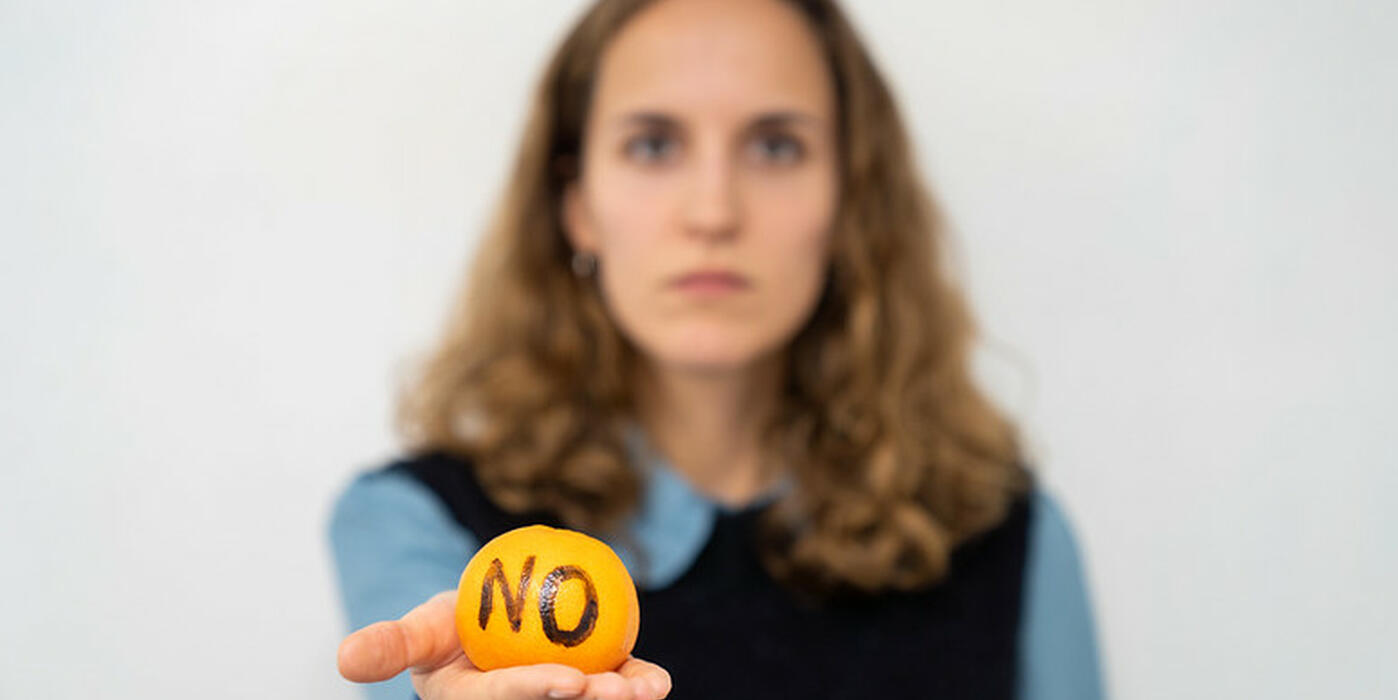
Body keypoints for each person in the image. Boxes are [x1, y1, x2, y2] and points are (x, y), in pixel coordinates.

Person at [328, 1, 1106, 699]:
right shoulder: (415, 520)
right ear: (577, 207)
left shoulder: (1013, 539)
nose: (713, 211)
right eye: (654, 144)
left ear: (847, 202)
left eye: (774, 147)